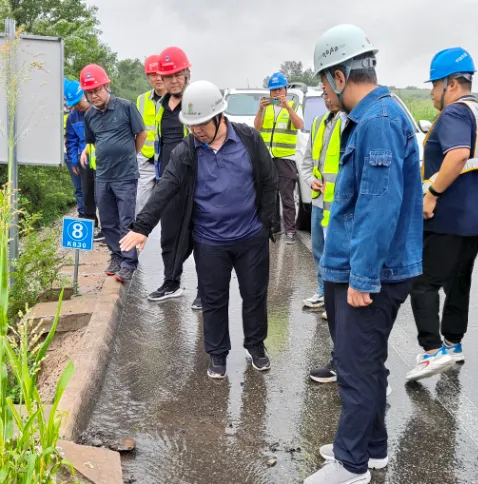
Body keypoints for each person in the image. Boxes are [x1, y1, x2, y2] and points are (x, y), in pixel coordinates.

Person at [301, 24, 423, 484]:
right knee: (367, 363)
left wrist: (363, 277)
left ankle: (352, 463)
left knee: (353, 367)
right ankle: (372, 446)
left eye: (321, 83)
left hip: (368, 270)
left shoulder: (378, 121)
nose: (322, 94)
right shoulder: (371, 117)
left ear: (338, 74)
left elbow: (378, 205)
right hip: (353, 263)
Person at [119, 80, 278, 379]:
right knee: (213, 299)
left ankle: (256, 346)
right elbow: (165, 188)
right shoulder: (187, 151)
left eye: (202, 123)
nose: (197, 130)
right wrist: (142, 227)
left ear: (219, 116)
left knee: (255, 295)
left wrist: (262, 224)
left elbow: (269, 181)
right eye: (191, 125)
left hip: (250, 238)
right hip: (210, 241)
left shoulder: (248, 139)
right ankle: (217, 354)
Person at [404, 47, 478, 382]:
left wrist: (434, 194)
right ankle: (454, 344)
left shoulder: (453, 115)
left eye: (434, 85)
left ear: (450, 83)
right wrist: (474, 193)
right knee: (458, 280)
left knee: (423, 282)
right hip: (477, 217)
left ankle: (432, 351)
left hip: (447, 216)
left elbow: (459, 154)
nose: (432, 93)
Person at [79, 64, 147, 284]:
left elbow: (141, 133)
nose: (94, 95)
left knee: (126, 220)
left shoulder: (125, 107)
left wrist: (131, 155)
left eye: (97, 89)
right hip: (103, 176)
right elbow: (91, 142)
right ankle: (116, 256)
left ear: (106, 85)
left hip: (126, 175)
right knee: (107, 220)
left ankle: (128, 263)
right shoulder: (90, 116)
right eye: (89, 92)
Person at [147, 46, 200, 310]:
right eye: (168, 76)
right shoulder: (161, 106)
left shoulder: (197, 101)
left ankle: (205, 289)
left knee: (202, 235)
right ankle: (172, 282)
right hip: (168, 180)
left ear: (187, 74)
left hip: (197, 181)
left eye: (178, 74)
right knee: (169, 234)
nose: (173, 80)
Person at [300, 92, 344, 380]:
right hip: (319, 201)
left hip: (339, 206)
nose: (328, 100)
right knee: (318, 250)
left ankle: (333, 302)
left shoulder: (351, 123)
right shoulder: (318, 124)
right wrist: (310, 179)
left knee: (335, 256)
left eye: (330, 94)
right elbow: (307, 163)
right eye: (324, 96)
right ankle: (322, 292)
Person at [255, 72, 303, 244]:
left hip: (286, 158)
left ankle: (290, 231)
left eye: (279, 89)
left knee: (287, 196)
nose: (276, 93)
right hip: (268, 157)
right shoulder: (266, 107)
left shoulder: (294, 106)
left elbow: (299, 125)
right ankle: (273, 227)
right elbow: (257, 127)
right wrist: (260, 109)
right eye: (273, 90)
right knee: (269, 195)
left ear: (285, 89)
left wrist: (287, 108)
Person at [64, 78, 102, 240]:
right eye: (75, 104)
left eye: (79, 102)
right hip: (83, 161)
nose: (78, 107)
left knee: (103, 193)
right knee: (85, 194)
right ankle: (89, 225)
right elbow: (71, 139)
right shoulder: (73, 117)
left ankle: (108, 228)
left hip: (102, 159)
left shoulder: (99, 111)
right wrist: (73, 160)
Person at [134, 54, 166, 214]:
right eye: (153, 74)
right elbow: (135, 130)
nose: (158, 78)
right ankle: (141, 237)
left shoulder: (177, 99)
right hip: (145, 160)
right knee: (141, 205)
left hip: (169, 161)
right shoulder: (141, 100)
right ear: (148, 78)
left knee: (169, 206)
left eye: (161, 73)